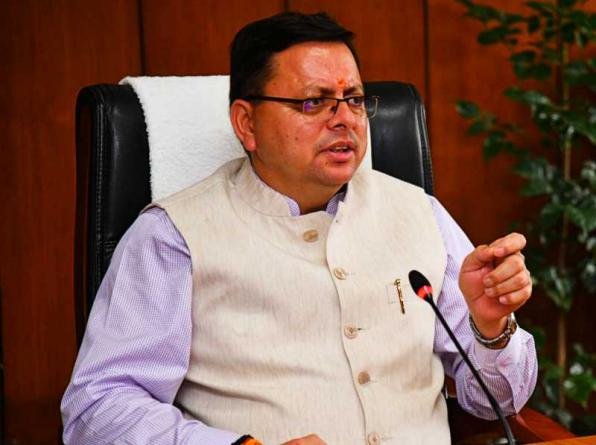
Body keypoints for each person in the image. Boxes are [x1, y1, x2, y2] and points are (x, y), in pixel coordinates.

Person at [61, 12, 537, 445]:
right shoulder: (174, 236)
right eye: (314, 102)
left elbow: (498, 401)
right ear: (246, 123)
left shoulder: (419, 212)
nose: (344, 119)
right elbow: (98, 409)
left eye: (353, 99)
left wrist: (490, 329)